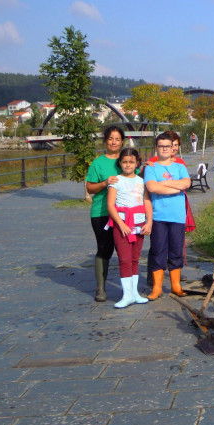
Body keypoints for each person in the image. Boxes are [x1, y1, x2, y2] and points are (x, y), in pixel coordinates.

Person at [144, 132, 191, 299]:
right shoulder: (151, 167)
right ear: (156, 148)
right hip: (158, 217)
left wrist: (164, 183)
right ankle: (157, 287)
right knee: (158, 251)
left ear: (173, 148)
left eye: (167, 146)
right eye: (161, 146)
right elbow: (152, 188)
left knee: (176, 250)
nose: (164, 149)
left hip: (177, 216)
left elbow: (186, 183)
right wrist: (175, 188)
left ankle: (175, 285)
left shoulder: (179, 167)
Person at [106, 148, 152, 308]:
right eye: (124, 162)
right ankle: (127, 294)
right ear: (120, 163)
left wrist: (149, 222)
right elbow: (110, 205)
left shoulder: (141, 181)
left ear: (137, 163)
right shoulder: (115, 181)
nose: (128, 165)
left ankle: (134, 293)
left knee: (134, 259)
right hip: (122, 225)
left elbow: (146, 201)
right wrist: (121, 224)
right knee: (124, 259)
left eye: (131, 162)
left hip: (139, 224)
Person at [85, 126, 125, 302]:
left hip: (125, 212)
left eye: (117, 139)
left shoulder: (128, 160)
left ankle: (129, 289)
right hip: (101, 212)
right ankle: (100, 289)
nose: (114, 142)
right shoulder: (98, 163)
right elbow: (90, 187)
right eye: (110, 139)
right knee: (104, 248)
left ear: (122, 141)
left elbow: (139, 180)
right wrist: (105, 183)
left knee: (125, 251)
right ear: (105, 141)